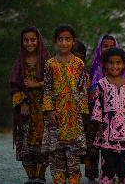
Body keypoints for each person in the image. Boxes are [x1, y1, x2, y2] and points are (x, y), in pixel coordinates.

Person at [41, 25, 89, 184]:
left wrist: (81, 113)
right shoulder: (50, 64)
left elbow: (82, 89)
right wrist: (49, 110)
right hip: (55, 116)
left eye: (67, 39)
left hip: (73, 117)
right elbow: (47, 88)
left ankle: (74, 180)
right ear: (55, 42)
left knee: (73, 156)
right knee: (56, 155)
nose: (64, 43)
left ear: (73, 42)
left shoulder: (78, 64)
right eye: (60, 39)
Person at [91, 47, 125, 184]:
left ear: (124, 64)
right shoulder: (102, 84)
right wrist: (99, 123)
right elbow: (98, 104)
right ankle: (107, 180)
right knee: (108, 160)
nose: (114, 66)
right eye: (111, 63)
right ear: (105, 64)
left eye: (118, 62)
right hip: (107, 129)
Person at [10, 26, 50, 184]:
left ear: (38, 40)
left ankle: (40, 176)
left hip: (44, 109)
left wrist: (36, 84)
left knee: (43, 143)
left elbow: (55, 83)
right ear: (22, 42)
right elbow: (14, 86)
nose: (29, 43)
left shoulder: (47, 60)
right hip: (26, 110)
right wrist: (22, 103)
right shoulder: (19, 62)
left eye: (33, 39)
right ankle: (31, 176)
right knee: (26, 143)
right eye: (26, 40)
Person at [86, 34, 124, 183]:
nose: (108, 48)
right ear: (99, 48)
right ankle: (91, 175)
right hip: (93, 111)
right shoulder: (93, 68)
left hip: (114, 114)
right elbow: (88, 90)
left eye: (112, 45)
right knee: (93, 143)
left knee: (112, 144)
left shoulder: (121, 69)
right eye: (105, 46)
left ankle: (110, 174)